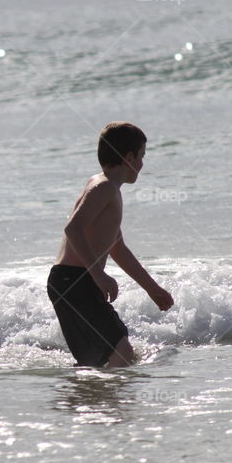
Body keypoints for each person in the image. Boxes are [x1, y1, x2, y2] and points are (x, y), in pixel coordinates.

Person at [47, 121, 174, 368]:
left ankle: (90, 397)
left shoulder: (106, 186)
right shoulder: (104, 187)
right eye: (142, 156)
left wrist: (152, 288)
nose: (142, 164)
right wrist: (99, 275)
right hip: (75, 280)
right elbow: (73, 229)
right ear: (129, 157)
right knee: (121, 349)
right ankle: (108, 402)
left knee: (99, 357)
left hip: (70, 281)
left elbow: (118, 248)